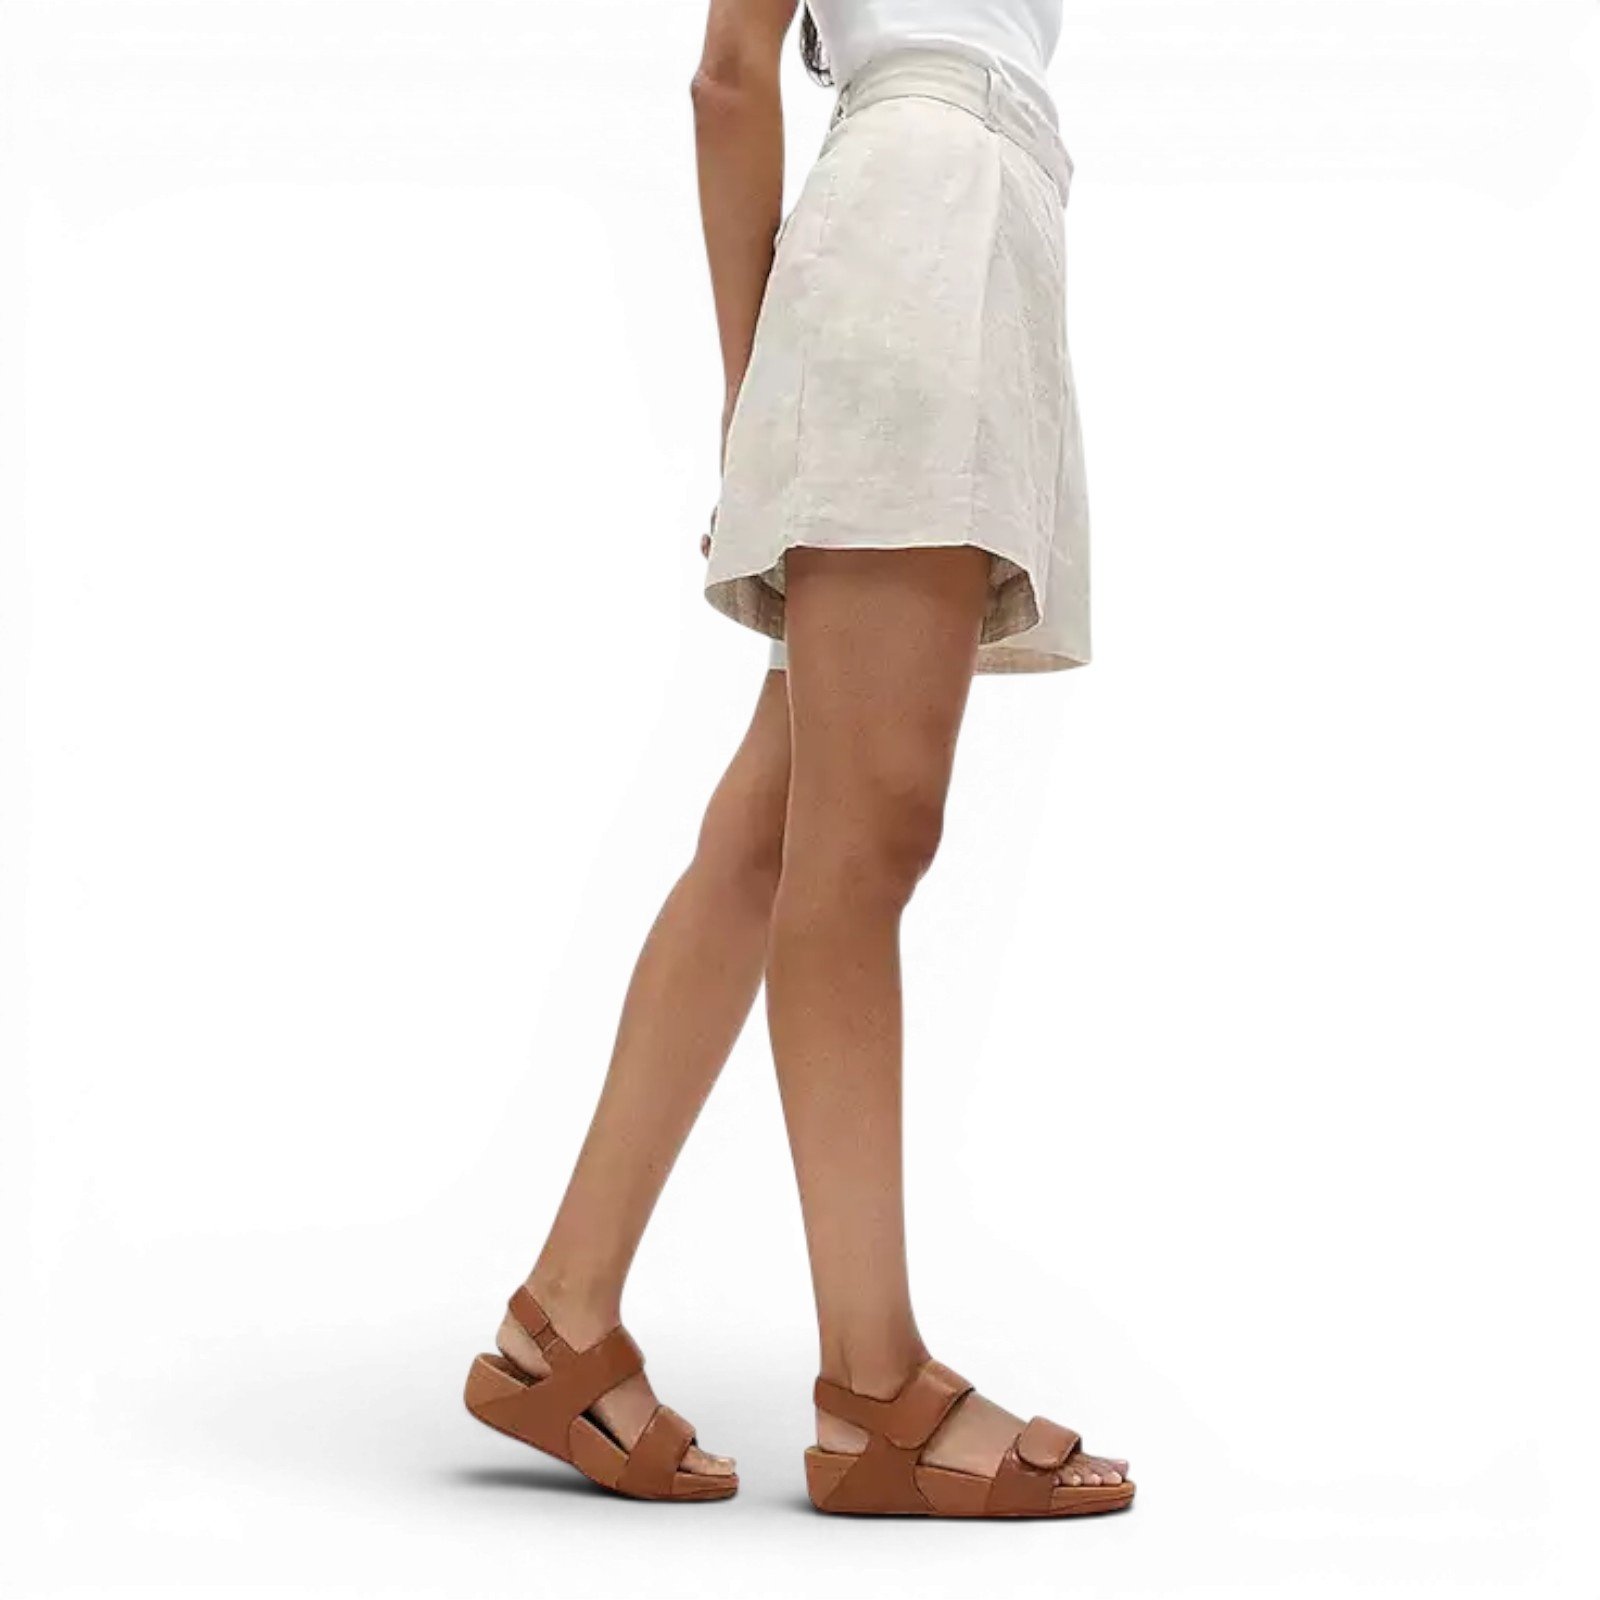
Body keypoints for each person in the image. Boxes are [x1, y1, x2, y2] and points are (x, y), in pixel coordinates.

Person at [463, 0, 1132, 1517]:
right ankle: (875, 1391)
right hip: (918, 228)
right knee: (867, 837)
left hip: (967, 224)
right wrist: (750, 393)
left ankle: (559, 1320)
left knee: (775, 836)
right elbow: (727, 74)